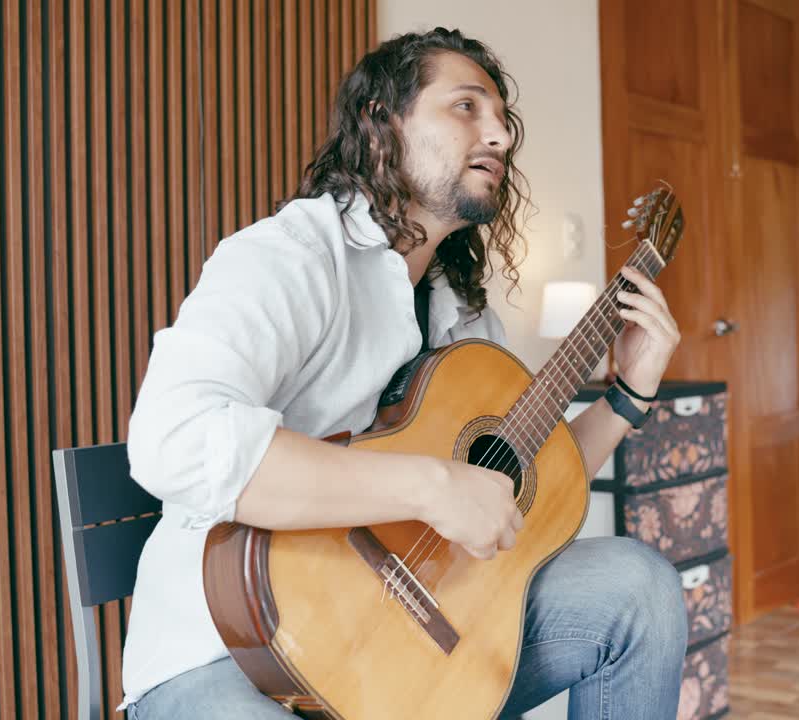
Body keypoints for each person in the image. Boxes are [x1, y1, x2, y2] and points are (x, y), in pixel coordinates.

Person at [121, 27, 687, 720]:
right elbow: (173, 437)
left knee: (640, 589)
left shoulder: (467, 317)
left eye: (502, 119)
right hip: (233, 656)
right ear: (381, 123)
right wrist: (430, 484)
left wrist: (628, 394)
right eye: (466, 107)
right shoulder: (289, 257)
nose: (501, 135)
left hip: (408, 643)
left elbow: (526, 497)